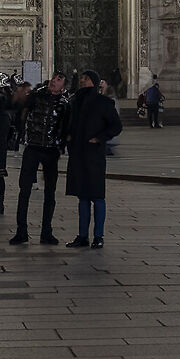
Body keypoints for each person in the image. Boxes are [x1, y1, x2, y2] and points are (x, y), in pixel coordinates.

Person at [64, 72, 121, 249]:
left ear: (94, 82)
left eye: (86, 79)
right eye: (81, 79)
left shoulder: (103, 103)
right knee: (82, 197)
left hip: (94, 155)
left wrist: (99, 138)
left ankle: (98, 235)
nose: (82, 81)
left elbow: (116, 126)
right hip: (78, 154)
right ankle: (82, 236)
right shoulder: (74, 101)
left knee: (97, 197)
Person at [11, 77, 68, 245]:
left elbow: (66, 125)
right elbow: (20, 110)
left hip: (51, 150)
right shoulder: (36, 95)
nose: (54, 81)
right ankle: (21, 231)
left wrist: (62, 145)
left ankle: (46, 232)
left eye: (59, 79)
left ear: (63, 85)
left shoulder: (65, 102)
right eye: (53, 78)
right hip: (33, 147)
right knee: (24, 190)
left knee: (50, 193)